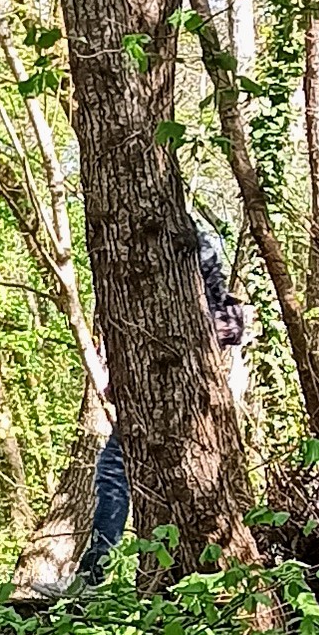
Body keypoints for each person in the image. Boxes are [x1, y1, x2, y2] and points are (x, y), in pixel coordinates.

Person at [76, 226, 250, 585]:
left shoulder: (192, 293)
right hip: (175, 406)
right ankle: (145, 572)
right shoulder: (204, 301)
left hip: (170, 407)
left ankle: (94, 576)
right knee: (138, 478)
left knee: (114, 471)